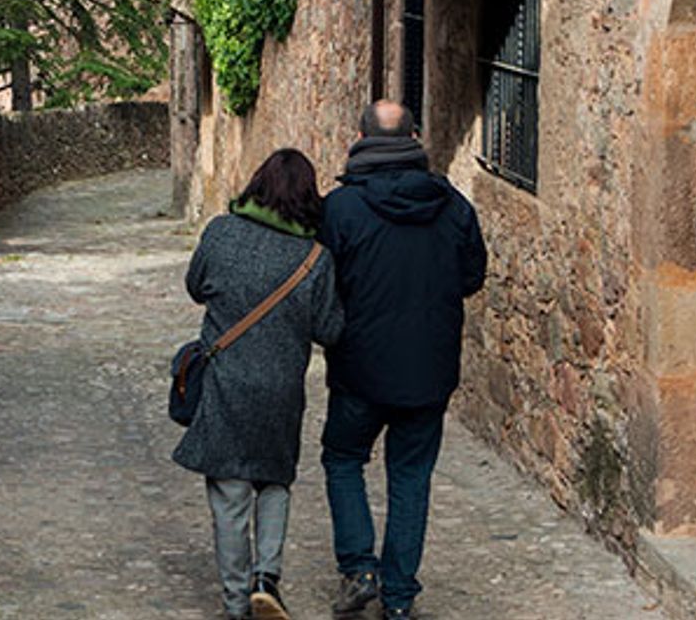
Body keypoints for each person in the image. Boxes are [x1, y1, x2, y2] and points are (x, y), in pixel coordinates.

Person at [318, 102, 487, 620]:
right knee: (411, 477)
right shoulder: (454, 206)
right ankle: (397, 597)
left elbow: (323, 285)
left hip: (359, 369)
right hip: (429, 371)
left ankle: (359, 566)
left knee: (343, 458)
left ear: (359, 138)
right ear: (415, 136)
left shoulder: (340, 209)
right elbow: (471, 278)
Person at [175, 149, 345, 620]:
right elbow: (329, 330)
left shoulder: (222, 233)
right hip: (281, 390)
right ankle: (266, 577)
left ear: (258, 185)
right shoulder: (315, 260)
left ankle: (235, 603)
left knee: (230, 493)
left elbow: (195, 285)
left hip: (227, 384)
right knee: (274, 482)